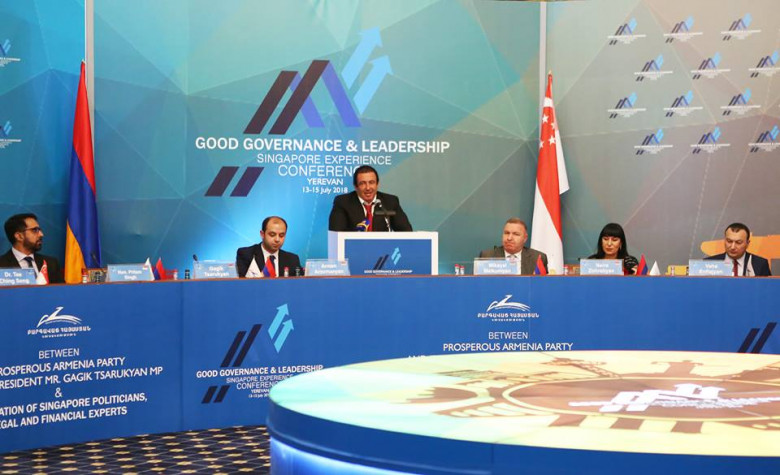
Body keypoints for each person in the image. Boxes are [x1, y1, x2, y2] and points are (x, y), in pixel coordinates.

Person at [328, 165, 412, 232]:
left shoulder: (390, 201)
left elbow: (406, 232)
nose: (368, 188)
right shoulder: (343, 202)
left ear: (377, 184)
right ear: (355, 186)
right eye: (362, 183)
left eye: (371, 182)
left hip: (383, 247)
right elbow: (336, 233)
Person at [0, 213, 64, 283]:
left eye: (39, 230)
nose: (41, 234)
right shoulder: (2, 264)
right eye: (35, 230)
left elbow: (61, 289)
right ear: (19, 236)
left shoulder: (51, 264)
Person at [236, 216, 301, 278]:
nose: (277, 239)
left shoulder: (292, 259)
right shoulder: (246, 254)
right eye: (272, 235)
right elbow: (241, 282)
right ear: (262, 234)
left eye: (281, 235)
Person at [479, 218, 548, 275]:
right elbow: (480, 283)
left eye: (516, 234)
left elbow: (543, 284)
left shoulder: (537, 258)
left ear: (525, 238)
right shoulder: (487, 256)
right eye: (506, 233)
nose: (509, 238)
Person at [705, 223, 771, 276]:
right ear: (724, 241)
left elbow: (767, 287)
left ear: (747, 243)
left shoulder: (760, 264)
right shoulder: (709, 263)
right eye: (729, 241)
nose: (733, 247)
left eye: (738, 242)